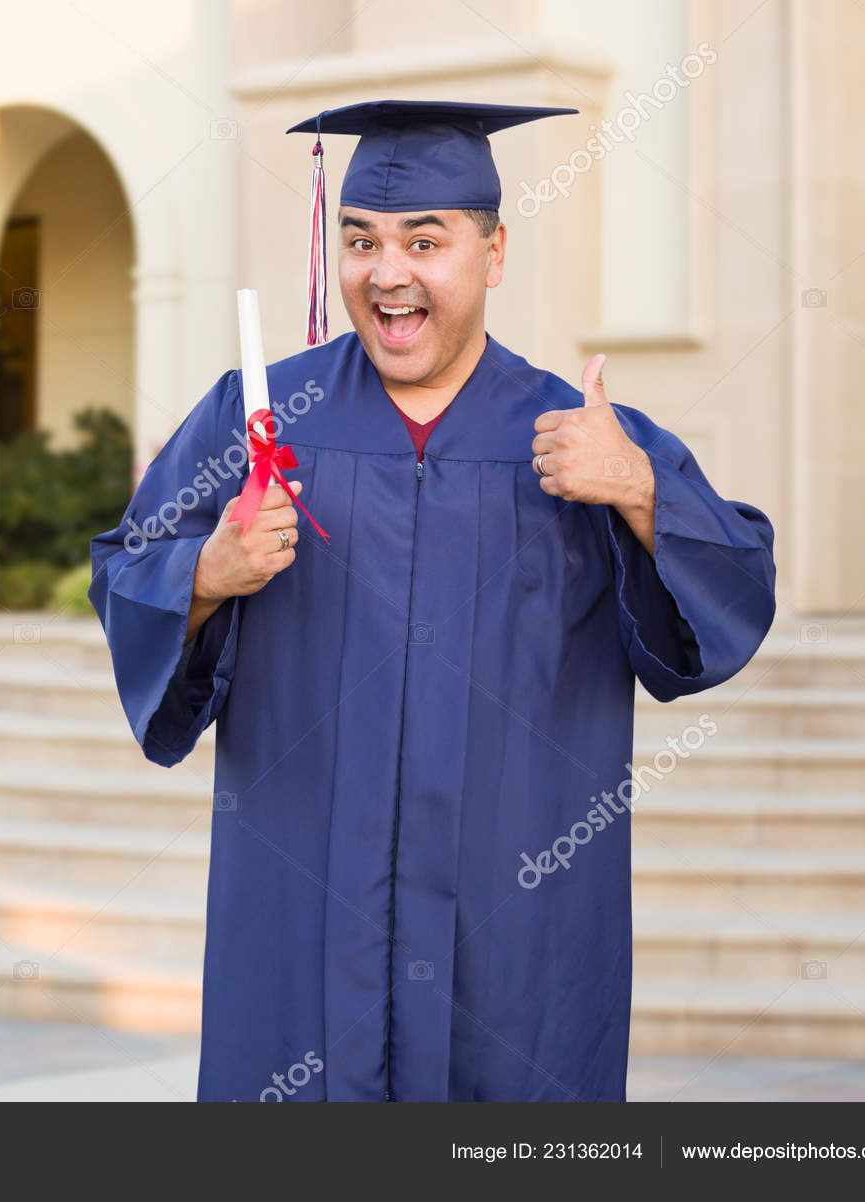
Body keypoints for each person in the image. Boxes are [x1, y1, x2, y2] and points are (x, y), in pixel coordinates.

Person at [87, 100, 777, 1102]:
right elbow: (126, 569)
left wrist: (637, 488)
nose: (387, 270)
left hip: (519, 935)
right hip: (303, 915)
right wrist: (205, 574)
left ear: (493, 255)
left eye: (425, 239)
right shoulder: (261, 416)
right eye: (360, 240)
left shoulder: (580, 436)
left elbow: (733, 597)